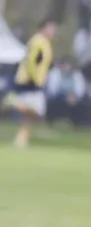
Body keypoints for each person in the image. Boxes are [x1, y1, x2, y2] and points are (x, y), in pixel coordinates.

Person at [3, 17, 57, 149]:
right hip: (30, 81)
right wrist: (36, 77)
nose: (53, 31)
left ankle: (21, 139)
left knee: (30, 115)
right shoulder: (38, 41)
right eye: (51, 28)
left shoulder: (44, 42)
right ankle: (15, 102)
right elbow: (32, 61)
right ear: (44, 28)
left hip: (35, 80)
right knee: (38, 112)